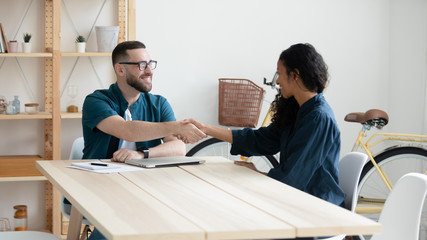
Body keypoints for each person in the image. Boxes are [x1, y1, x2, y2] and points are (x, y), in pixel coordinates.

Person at [187, 43, 345, 209]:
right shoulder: (298, 110)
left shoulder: (318, 118)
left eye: (280, 73)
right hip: (296, 199)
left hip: (317, 207)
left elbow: (292, 178)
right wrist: (206, 128)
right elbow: (261, 140)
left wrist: (258, 175)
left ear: (295, 75)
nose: (277, 80)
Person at [78, 40, 206, 240]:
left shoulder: (158, 103)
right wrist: (177, 126)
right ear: (120, 69)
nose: (149, 71)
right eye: (141, 65)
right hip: (101, 187)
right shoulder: (96, 101)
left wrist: (141, 154)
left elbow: (178, 147)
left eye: (150, 64)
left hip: (146, 186)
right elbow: (126, 130)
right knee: (119, 222)